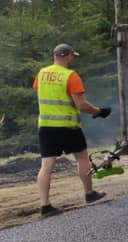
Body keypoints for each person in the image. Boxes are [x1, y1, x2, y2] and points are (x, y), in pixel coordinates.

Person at [34, 43, 112, 217]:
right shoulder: (71, 76)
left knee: (46, 166)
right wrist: (99, 112)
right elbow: (81, 105)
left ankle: (45, 206)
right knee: (82, 157)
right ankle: (89, 194)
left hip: (46, 127)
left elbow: (44, 94)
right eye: (72, 56)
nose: (73, 59)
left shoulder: (42, 73)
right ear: (67, 55)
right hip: (68, 127)